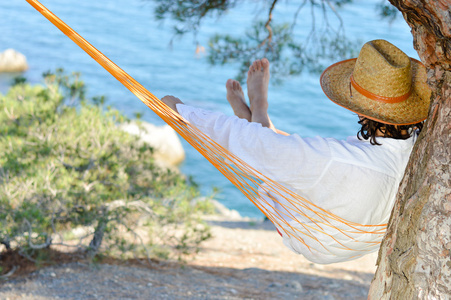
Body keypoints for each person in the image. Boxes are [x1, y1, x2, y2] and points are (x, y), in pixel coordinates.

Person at [161, 39, 431, 263]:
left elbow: (256, 146)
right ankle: (259, 115)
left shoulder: (333, 159)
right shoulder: (423, 146)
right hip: (365, 236)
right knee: (292, 153)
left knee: (271, 151)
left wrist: (183, 112)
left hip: (319, 238)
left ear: (358, 107)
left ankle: (259, 116)